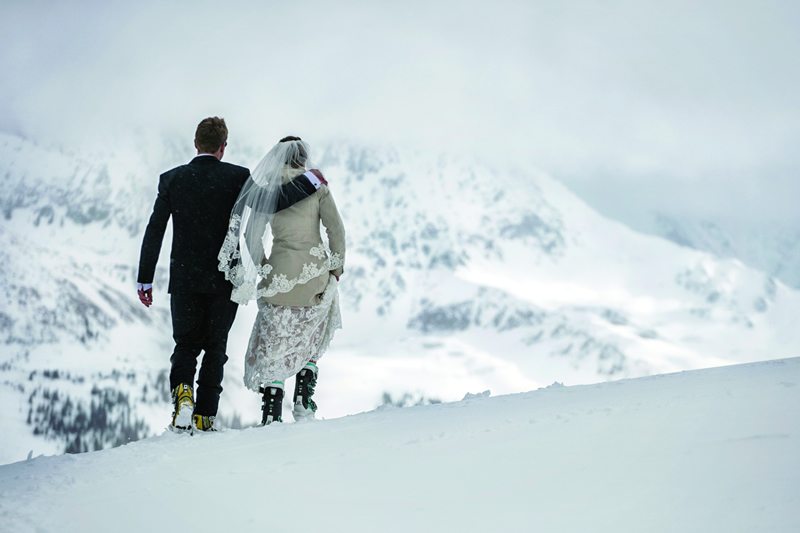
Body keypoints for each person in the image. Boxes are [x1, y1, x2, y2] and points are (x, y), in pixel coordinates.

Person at [136, 117, 323, 432]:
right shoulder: (237, 177)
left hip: (184, 278)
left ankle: (183, 397)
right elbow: (272, 202)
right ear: (223, 147)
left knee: (185, 344)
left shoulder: (172, 180)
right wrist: (311, 182)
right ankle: (205, 418)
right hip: (224, 278)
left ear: (197, 144)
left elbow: (155, 231)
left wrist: (145, 279)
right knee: (215, 347)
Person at [218, 136, 345, 425]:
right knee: (312, 330)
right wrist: (335, 269)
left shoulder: (269, 191)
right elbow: (336, 231)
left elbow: (251, 236)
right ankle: (303, 396)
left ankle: (271, 411)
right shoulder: (317, 186)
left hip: (278, 275)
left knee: (276, 342)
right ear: (303, 158)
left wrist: (265, 267)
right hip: (312, 275)